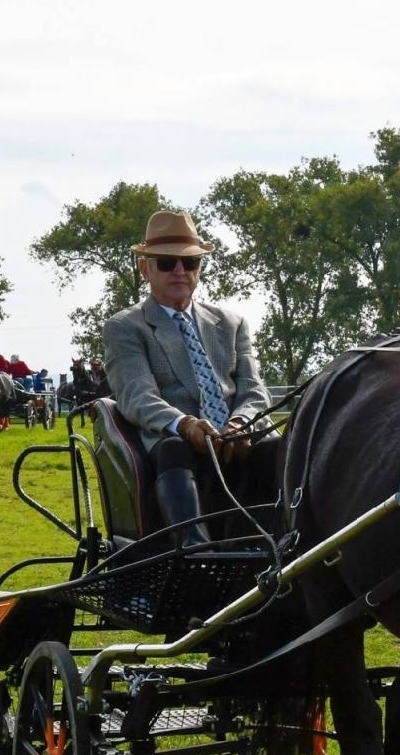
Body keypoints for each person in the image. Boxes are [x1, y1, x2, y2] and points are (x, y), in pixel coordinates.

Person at [102, 210, 274, 547]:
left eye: (190, 263)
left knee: (278, 449)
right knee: (174, 450)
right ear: (145, 268)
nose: (180, 271)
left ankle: (280, 545)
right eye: (167, 263)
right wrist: (185, 424)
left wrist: (240, 422)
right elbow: (137, 395)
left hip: (233, 438)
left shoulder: (232, 322)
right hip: (173, 441)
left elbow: (253, 389)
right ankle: (196, 555)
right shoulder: (126, 327)